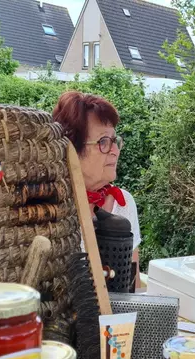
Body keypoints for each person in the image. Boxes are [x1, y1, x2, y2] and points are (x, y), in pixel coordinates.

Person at [53, 91, 141, 283]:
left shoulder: (123, 203)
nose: (115, 151)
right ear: (71, 149)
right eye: (103, 142)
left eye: (115, 140)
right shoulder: (50, 208)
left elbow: (132, 285)